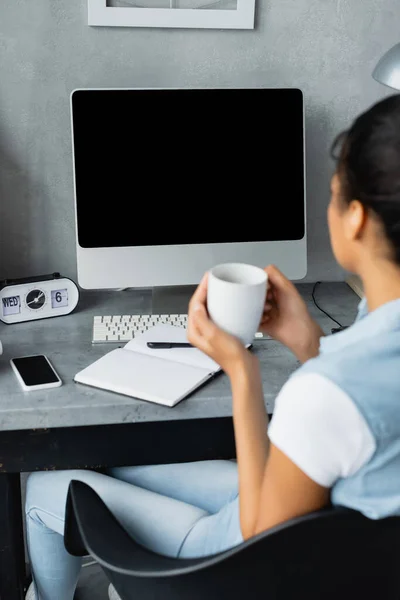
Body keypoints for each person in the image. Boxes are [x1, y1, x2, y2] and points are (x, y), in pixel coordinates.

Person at [25, 93, 400, 600]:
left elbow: (260, 535)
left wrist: (240, 368)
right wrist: (309, 343)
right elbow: (361, 424)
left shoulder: (326, 392)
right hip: (327, 527)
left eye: (334, 193)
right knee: (121, 460)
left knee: (45, 486)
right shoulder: (374, 332)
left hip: (242, 562)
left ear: (355, 218)